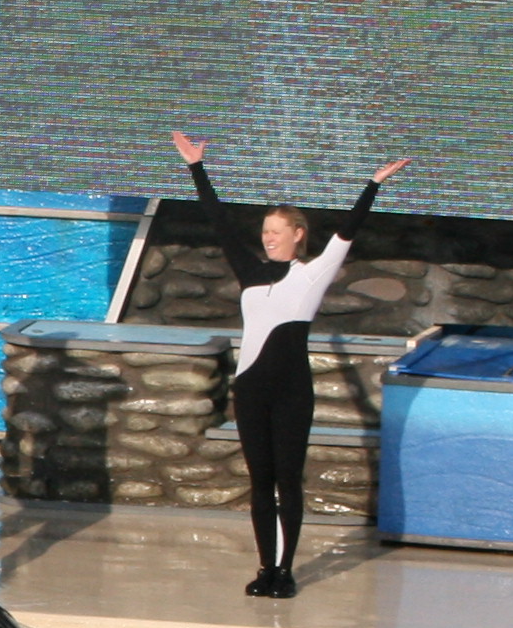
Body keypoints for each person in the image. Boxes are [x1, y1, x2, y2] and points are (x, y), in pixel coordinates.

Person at [170, 131, 409, 599]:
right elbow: (219, 222)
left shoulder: (312, 274)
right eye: (264, 231)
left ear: (298, 235)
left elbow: (346, 233)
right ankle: (265, 568)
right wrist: (196, 168)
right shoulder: (250, 271)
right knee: (260, 481)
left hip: (291, 391)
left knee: (287, 480)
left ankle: (286, 570)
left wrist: (373, 184)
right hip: (250, 389)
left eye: (276, 231)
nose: (267, 237)